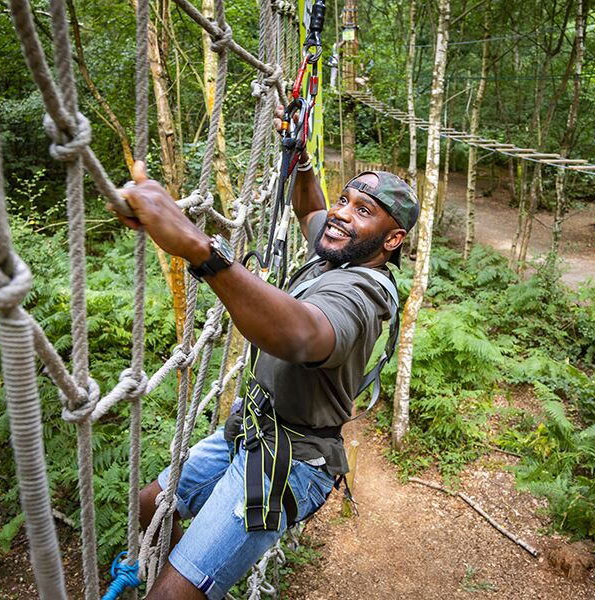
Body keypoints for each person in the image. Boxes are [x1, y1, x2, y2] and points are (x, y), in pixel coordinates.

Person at [111, 145, 419, 599]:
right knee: (148, 504)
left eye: (363, 210)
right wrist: (304, 162)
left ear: (391, 240)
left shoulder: (362, 293)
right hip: (251, 427)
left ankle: (181, 587)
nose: (341, 214)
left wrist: (199, 248)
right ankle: (183, 579)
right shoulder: (338, 249)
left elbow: (302, 335)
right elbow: (311, 207)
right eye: (345, 200)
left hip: (289, 460)